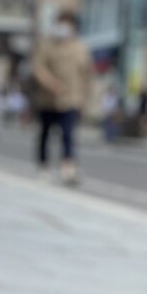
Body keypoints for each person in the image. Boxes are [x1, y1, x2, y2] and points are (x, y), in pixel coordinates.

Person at [29, 11, 92, 184]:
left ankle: (68, 168)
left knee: (68, 134)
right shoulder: (47, 45)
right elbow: (38, 68)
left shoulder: (80, 47)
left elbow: (86, 75)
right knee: (45, 133)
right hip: (47, 99)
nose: (63, 28)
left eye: (67, 24)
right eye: (60, 23)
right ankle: (43, 165)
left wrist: (85, 99)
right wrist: (51, 84)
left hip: (71, 99)